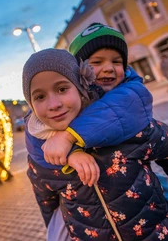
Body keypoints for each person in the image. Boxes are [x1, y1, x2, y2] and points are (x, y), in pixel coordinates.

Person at [23, 48, 168, 240]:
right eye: (39, 97)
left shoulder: (122, 129)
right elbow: (48, 207)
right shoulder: (40, 159)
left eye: (62, 89)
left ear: (81, 88)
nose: (53, 104)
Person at [42, 22, 168, 179]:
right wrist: (72, 153)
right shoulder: (70, 101)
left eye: (116, 61)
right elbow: (40, 141)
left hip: (141, 198)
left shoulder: (132, 92)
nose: (109, 68)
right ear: (77, 71)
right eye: (97, 62)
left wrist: (69, 136)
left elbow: (116, 108)